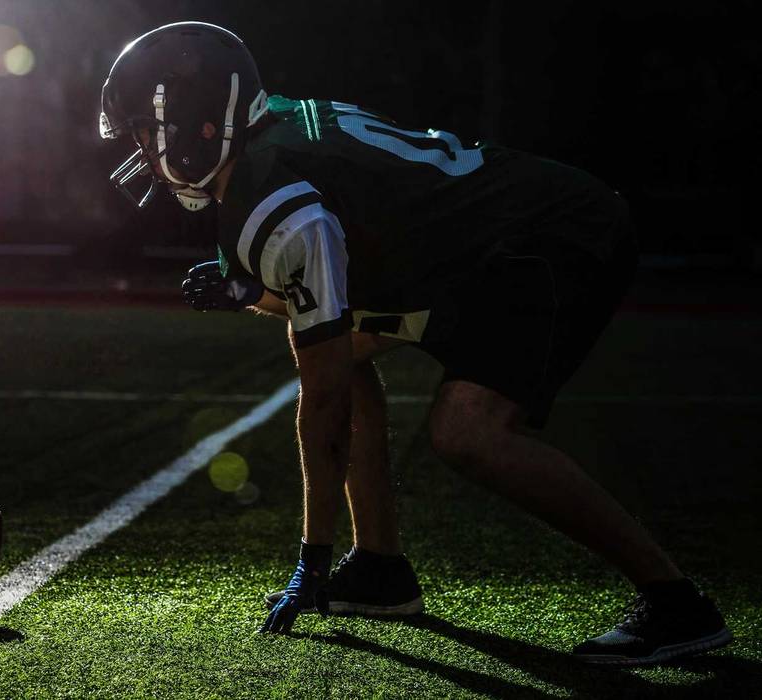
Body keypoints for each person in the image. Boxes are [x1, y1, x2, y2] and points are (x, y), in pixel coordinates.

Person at [98, 22, 731, 665]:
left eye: (149, 135)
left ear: (200, 124)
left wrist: (311, 556)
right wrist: (245, 292)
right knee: (353, 354)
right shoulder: (274, 134)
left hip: (543, 241)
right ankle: (379, 567)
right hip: (490, 246)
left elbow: (323, 397)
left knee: (467, 432)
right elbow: (328, 297)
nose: (146, 154)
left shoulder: (275, 196)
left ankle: (674, 600)